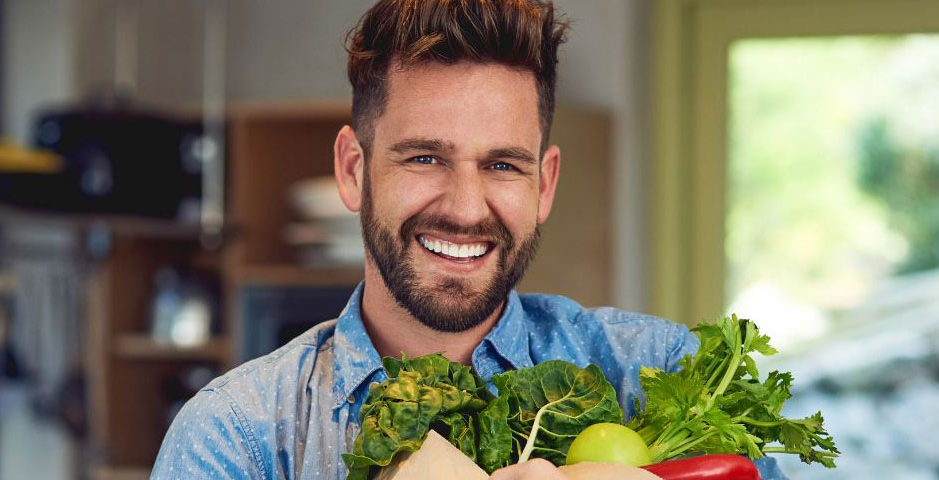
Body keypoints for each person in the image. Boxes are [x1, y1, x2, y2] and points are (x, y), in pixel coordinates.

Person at [153, 1, 789, 479]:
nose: (464, 208)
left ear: (545, 185)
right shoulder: (237, 438)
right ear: (353, 171)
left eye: (503, 165)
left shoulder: (655, 373)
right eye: (425, 158)